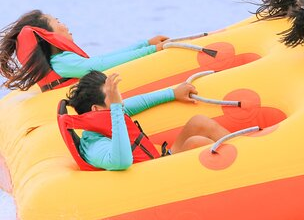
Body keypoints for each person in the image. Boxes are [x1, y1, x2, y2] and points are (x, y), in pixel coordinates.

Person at [59, 71, 231, 171]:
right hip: (155, 182)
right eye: (113, 96)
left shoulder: (110, 113)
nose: (120, 99)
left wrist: (173, 93)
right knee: (196, 143)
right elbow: (122, 162)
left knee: (198, 122)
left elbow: (141, 101)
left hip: (159, 163)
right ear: (96, 109)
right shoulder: (94, 146)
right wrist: (117, 109)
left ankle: (251, 148)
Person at [0, 10, 168, 91]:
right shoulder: (61, 63)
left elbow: (103, 58)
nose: (65, 25)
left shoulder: (62, 60)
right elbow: (102, 64)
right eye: (58, 21)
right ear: (48, 36)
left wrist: (145, 44)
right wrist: (151, 51)